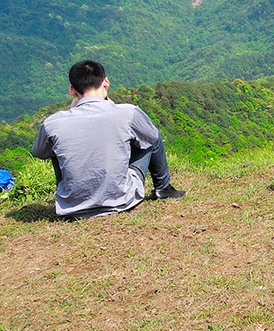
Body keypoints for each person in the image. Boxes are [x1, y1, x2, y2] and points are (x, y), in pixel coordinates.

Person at [31, 59, 185, 219]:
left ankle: (77, 195)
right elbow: (152, 137)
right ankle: (163, 188)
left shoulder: (53, 123)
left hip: (72, 207)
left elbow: (39, 152)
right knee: (149, 133)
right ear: (106, 82)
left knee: (54, 147)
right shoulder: (128, 113)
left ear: (72, 91)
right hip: (121, 200)